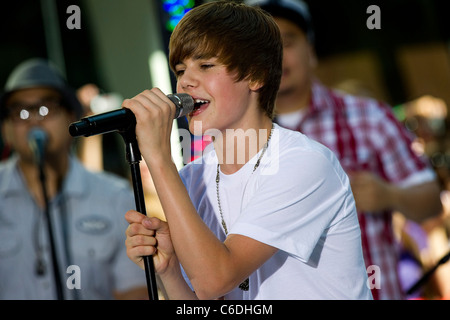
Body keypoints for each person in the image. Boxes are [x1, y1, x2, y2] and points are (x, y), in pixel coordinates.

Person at [124, 1, 372, 300]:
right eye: (180, 69)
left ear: (256, 75)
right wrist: (169, 272)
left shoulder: (303, 162)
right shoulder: (193, 178)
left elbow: (216, 278)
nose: (185, 81)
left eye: (205, 65)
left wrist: (159, 157)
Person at [246, 0, 443, 299]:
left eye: (287, 41)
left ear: (310, 51)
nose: (275, 55)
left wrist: (390, 194)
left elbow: (431, 202)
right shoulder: (236, 138)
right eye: (261, 46)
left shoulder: (368, 117)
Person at [0, 58, 148, 299]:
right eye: (20, 111)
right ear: (5, 129)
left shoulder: (115, 197)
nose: (34, 120)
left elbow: (135, 291)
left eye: (46, 107)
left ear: (72, 118)